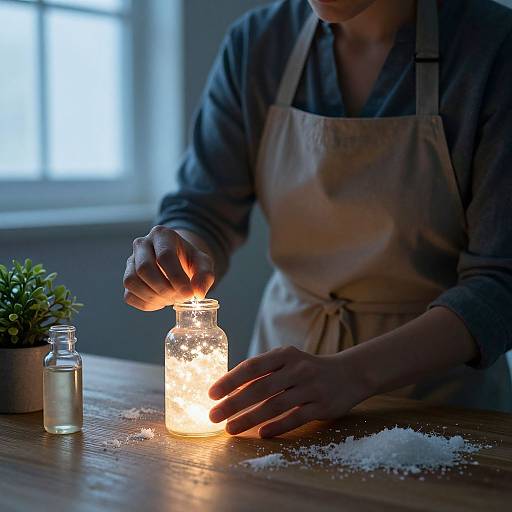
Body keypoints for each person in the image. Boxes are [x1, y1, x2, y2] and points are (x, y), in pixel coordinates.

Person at [123, 0, 512, 437]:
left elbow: (500, 284)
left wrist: (352, 373)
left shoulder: (493, 46)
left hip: (439, 408)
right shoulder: (257, 43)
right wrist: (177, 249)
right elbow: (204, 207)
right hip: (277, 401)